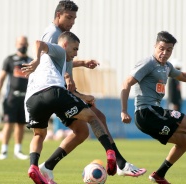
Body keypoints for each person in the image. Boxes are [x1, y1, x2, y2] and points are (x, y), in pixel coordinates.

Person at [22, 0, 146, 181]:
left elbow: (61, 57)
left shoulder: (61, 37)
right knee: (96, 116)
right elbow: (49, 56)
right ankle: (119, 162)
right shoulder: (54, 33)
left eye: (74, 18)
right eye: (69, 17)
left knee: (81, 131)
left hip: (35, 95)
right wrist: (66, 77)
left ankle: (46, 167)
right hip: (54, 88)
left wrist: (81, 64)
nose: (72, 21)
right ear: (58, 15)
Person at [120, 31, 186, 184]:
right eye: (161, 48)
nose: (164, 53)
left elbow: (183, 76)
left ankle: (159, 174)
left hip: (151, 115)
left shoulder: (166, 67)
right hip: (147, 112)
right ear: (155, 46)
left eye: (169, 50)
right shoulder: (148, 63)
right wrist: (124, 110)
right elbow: (126, 83)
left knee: (185, 141)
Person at [25, 32, 117, 184]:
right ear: (65, 45)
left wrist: (83, 95)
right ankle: (110, 151)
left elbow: (68, 82)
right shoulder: (59, 51)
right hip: (53, 92)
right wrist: (36, 59)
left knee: (41, 135)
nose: (76, 53)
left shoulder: (53, 64)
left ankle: (36, 167)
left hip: (31, 100)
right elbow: (38, 43)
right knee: (92, 117)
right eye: (75, 49)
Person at [0, 36, 32, 160]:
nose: (23, 46)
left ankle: (18, 150)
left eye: (25, 44)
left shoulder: (31, 61)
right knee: (9, 123)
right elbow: (1, 78)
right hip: (11, 98)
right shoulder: (9, 60)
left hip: (25, 98)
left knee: (21, 124)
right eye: (21, 43)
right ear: (16, 44)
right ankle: (4, 150)